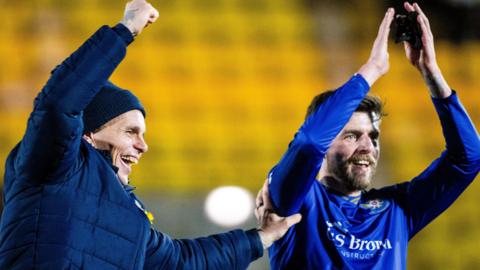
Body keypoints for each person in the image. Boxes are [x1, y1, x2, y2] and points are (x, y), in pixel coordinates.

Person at [0, 1, 302, 269]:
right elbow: (58, 104)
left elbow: (181, 261)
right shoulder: (56, 165)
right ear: (88, 133)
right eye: (131, 131)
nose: (143, 146)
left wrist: (260, 238)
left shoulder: (133, 216)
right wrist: (125, 30)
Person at [255, 2, 480, 269]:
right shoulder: (296, 201)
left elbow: (468, 157)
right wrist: (372, 70)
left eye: (373, 137)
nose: (367, 147)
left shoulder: (397, 210)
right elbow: (309, 143)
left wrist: (432, 74)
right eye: (352, 136)